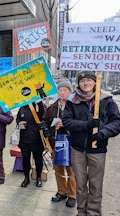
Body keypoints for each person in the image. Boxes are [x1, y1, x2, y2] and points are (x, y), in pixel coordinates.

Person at [63, 71, 120, 216]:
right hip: (78, 149)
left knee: (95, 185)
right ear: (79, 84)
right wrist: (86, 125)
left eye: (89, 80)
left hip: (98, 150)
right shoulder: (72, 101)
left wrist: (102, 134)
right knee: (80, 184)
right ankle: (81, 211)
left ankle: (93, 213)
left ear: (95, 82)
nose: (86, 83)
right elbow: (67, 122)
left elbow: (117, 122)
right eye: (83, 81)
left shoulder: (106, 100)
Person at [42, 78, 76, 207]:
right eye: (60, 90)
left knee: (71, 170)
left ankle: (72, 195)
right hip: (56, 142)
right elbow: (45, 121)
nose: (62, 93)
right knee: (58, 169)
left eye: (65, 90)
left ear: (70, 92)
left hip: (72, 143)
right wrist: (48, 128)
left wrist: (66, 124)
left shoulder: (75, 106)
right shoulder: (52, 108)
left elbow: (81, 124)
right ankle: (61, 191)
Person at [16, 101, 47, 188]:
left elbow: (43, 117)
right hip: (24, 139)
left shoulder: (40, 105)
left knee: (38, 159)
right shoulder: (22, 107)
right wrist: (19, 123)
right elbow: (18, 118)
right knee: (25, 159)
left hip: (37, 138)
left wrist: (39, 103)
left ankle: (38, 178)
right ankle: (26, 178)